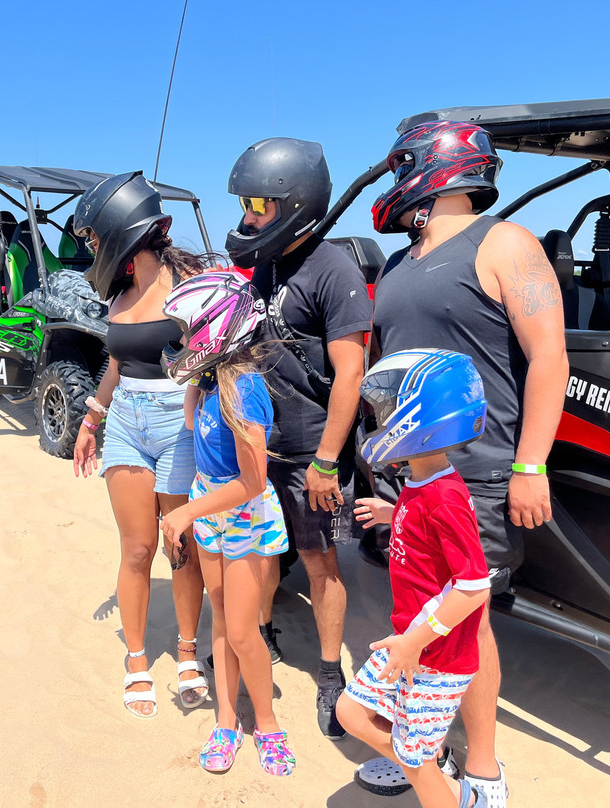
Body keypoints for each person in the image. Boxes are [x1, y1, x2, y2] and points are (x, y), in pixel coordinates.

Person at [360, 120, 570, 805]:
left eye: (402, 167)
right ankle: (418, 746)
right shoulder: (397, 263)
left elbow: (548, 356)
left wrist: (530, 464)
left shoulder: (504, 242)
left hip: (474, 472)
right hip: (407, 473)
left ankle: (482, 768)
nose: (394, 183)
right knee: (414, 615)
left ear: (434, 164)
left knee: (463, 619)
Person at [225, 137, 372, 739]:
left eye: (258, 203)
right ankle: (260, 639)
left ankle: (331, 673)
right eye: (245, 203)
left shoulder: (333, 271)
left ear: (296, 202)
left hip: (312, 453)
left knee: (319, 563)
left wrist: (328, 462)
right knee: (259, 553)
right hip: (261, 445)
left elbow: (351, 375)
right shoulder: (264, 265)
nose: (247, 216)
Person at [71, 172, 209, 719]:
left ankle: (187, 651)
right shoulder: (120, 290)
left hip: (181, 419)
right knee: (136, 549)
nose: (94, 250)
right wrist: (91, 418)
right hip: (126, 417)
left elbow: (215, 355)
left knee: (181, 547)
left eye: (95, 238)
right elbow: (119, 361)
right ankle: (135, 660)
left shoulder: (192, 286)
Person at [341, 349, 492, 808]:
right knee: (352, 713)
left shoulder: (444, 494)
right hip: (412, 643)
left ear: (419, 419)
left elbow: (474, 586)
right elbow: (432, 534)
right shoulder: (421, 481)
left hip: (434, 655)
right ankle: (423, 760)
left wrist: (414, 642)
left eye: (387, 411)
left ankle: (440, 785)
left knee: (414, 755)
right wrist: (396, 512)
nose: (380, 420)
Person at [158, 272, 296, 776]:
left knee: (241, 630)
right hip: (208, 505)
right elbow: (195, 425)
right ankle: (226, 720)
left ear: (215, 329)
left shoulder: (245, 387)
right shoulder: (214, 379)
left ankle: (268, 723)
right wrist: (196, 377)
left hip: (238, 511)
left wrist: (186, 513)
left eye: (187, 331)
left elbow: (254, 481)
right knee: (221, 618)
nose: (181, 342)